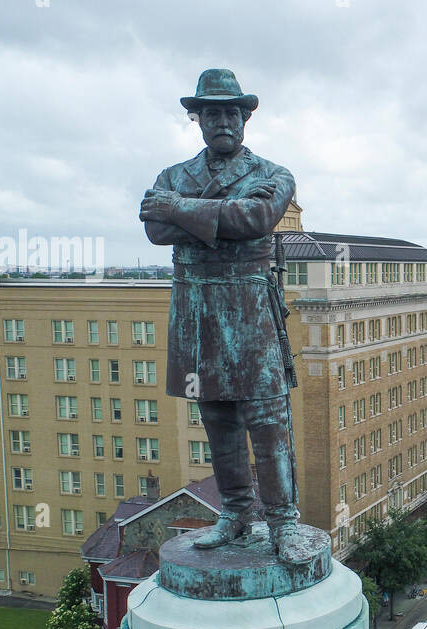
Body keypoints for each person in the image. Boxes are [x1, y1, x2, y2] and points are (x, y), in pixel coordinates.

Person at [140, 69, 303, 561]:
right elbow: (154, 230)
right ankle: (235, 515)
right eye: (213, 112)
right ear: (199, 119)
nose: (224, 120)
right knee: (217, 418)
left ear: (245, 117)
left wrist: (179, 211)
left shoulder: (273, 175)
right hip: (196, 310)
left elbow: (254, 219)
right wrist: (216, 218)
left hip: (249, 306)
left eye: (232, 111)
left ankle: (283, 523)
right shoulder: (173, 175)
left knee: (267, 417)